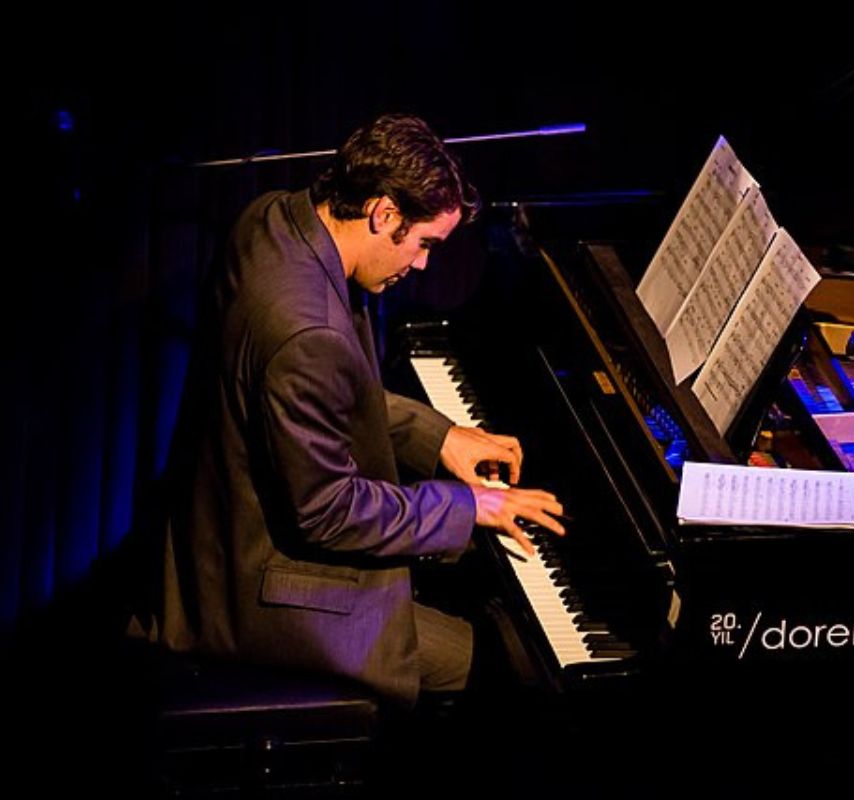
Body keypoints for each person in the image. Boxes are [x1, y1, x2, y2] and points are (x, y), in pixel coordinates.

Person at [148, 113, 564, 706]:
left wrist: (439, 438)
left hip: (217, 532)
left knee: (468, 559)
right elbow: (328, 511)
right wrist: (467, 505)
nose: (421, 265)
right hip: (253, 590)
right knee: (504, 659)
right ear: (384, 213)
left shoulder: (272, 219)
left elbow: (310, 394)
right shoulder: (307, 329)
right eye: (424, 244)